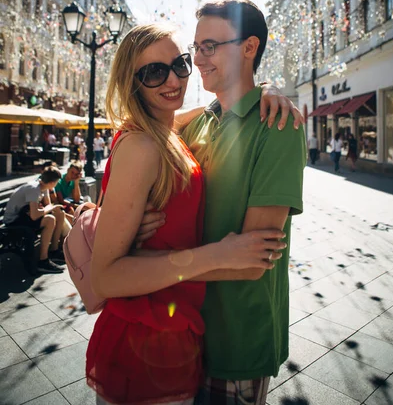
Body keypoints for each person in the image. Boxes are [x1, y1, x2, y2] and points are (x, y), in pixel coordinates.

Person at [86, 23, 297, 405]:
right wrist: (215, 255)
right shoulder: (143, 145)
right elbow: (104, 277)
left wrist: (266, 89)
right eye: (153, 72)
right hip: (145, 336)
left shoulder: (171, 130)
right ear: (130, 82)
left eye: (179, 64)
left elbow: (204, 111)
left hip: (178, 331)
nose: (175, 77)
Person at [138, 0, 306, 405]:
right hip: (181, 330)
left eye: (210, 46)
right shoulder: (199, 120)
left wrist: (142, 272)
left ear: (249, 47)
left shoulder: (277, 127)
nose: (197, 59)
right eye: (195, 48)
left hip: (236, 339)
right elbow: (138, 126)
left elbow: (252, 262)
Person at [3, 166, 68, 274]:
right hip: (14, 220)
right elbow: (34, 215)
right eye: (56, 182)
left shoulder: (44, 187)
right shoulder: (34, 189)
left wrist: (50, 208)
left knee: (59, 214)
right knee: (50, 220)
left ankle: (54, 250)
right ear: (52, 182)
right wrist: (48, 208)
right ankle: (43, 260)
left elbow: (48, 205)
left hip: (24, 216)